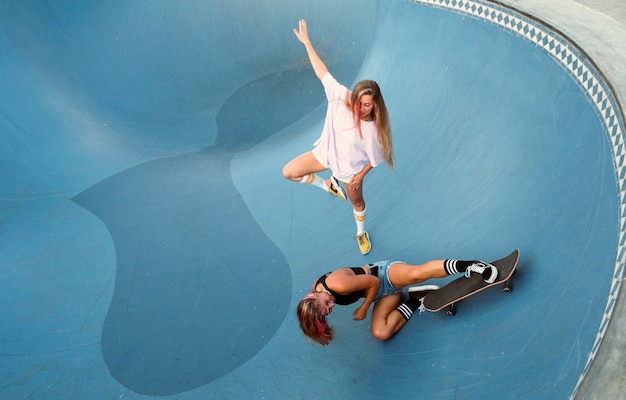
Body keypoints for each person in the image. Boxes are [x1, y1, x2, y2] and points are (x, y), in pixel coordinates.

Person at [282, 20, 393, 255]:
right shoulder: (339, 96)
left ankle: (360, 232)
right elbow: (322, 71)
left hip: (348, 171)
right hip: (323, 155)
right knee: (289, 172)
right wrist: (307, 43)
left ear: (374, 107)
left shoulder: (373, 131)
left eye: (367, 106)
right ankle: (328, 186)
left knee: (357, 203)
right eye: (360, 103)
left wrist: (358, 177)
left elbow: (375, 160)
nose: (362, 109)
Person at [296, 257, 499, 345]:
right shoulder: (316, 294)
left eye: (327, 305)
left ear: (315, 297)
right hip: (380, 295)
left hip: (383, 275)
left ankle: (472, 265)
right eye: (328, 311)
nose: (332, 306)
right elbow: (311, 312)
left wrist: (364, 308)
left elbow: (374, 282)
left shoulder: (337, 285)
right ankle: (417, 298)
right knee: (380, 333)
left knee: (418, 273)